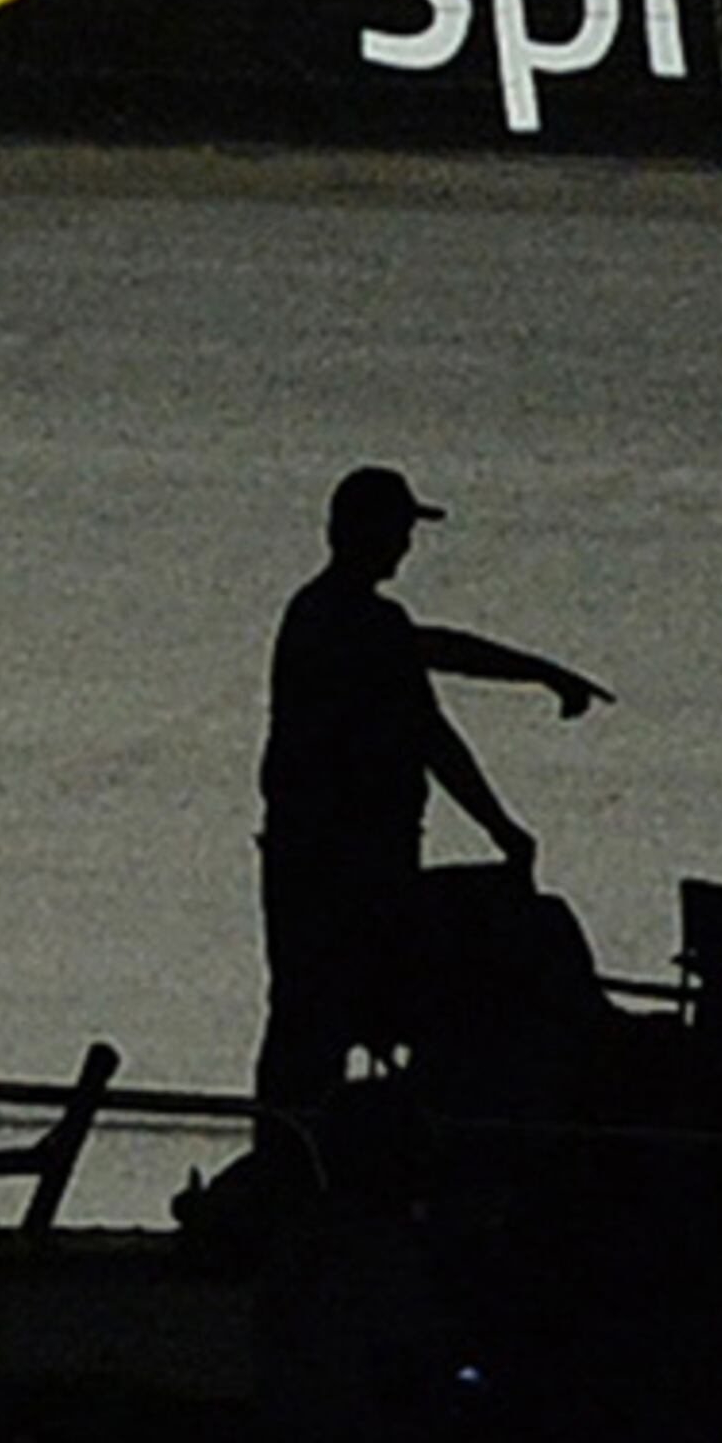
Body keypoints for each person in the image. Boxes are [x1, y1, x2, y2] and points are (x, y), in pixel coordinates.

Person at [253, 465, 610, 1108]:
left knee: (310, 1011)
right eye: (396, 530)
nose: (405, 546)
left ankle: (298, 1149)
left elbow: (437, 649)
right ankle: (302, 1157)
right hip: (341, 869)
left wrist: (540, 672)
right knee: (324, 1009)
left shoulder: (335, 616)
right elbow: (431, 733)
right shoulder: (344, 621)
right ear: (358, 532)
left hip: (325, 861)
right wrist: (502, 829)